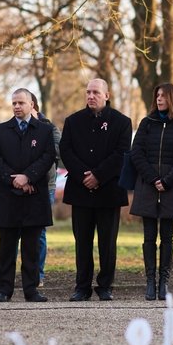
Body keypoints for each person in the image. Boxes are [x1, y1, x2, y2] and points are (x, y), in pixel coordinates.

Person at [59, 78, 132, 301]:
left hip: (108, 190)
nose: (91, 96)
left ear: (106, 95)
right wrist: (84, 176)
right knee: (82, 241)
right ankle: (82, 286)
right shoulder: (73, 121)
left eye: (96, 92)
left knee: (107, 242)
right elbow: (66, 151)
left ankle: (105, 286)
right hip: (81, 191)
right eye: (88, 92)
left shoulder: (122, 122)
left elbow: (121, 153)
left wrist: (99, 175)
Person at [0, 88, 56, 302]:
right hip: (9, 196)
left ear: (31, 105)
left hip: (34, 196)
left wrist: (28, 177)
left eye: (21, 103)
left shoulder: (44, 131)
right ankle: (4, 289)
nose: (17, 106)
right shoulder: (1, 130)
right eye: (14, 103)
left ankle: (31, 289)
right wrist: (14, 180)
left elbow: (48, 158)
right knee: (7, 246)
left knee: (32, 246)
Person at [129, 84, 173, 301]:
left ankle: (164, 281)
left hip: (170, 187)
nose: (158, 99)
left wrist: (167, 180)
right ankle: (150, 282)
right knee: (148, 236)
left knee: (167, 236)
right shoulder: (147, 123)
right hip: (148, 186)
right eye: (157, 96)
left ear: (172, 98)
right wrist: (153, 178)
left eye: (163, 96)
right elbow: (136, 153)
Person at [24, 92, 62, 288]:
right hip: (19, 184)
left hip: (44, 185)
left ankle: (38, 274)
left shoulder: (49, 128)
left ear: (33, 106)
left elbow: (56, 151)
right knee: (13, 231)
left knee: (39, 232)